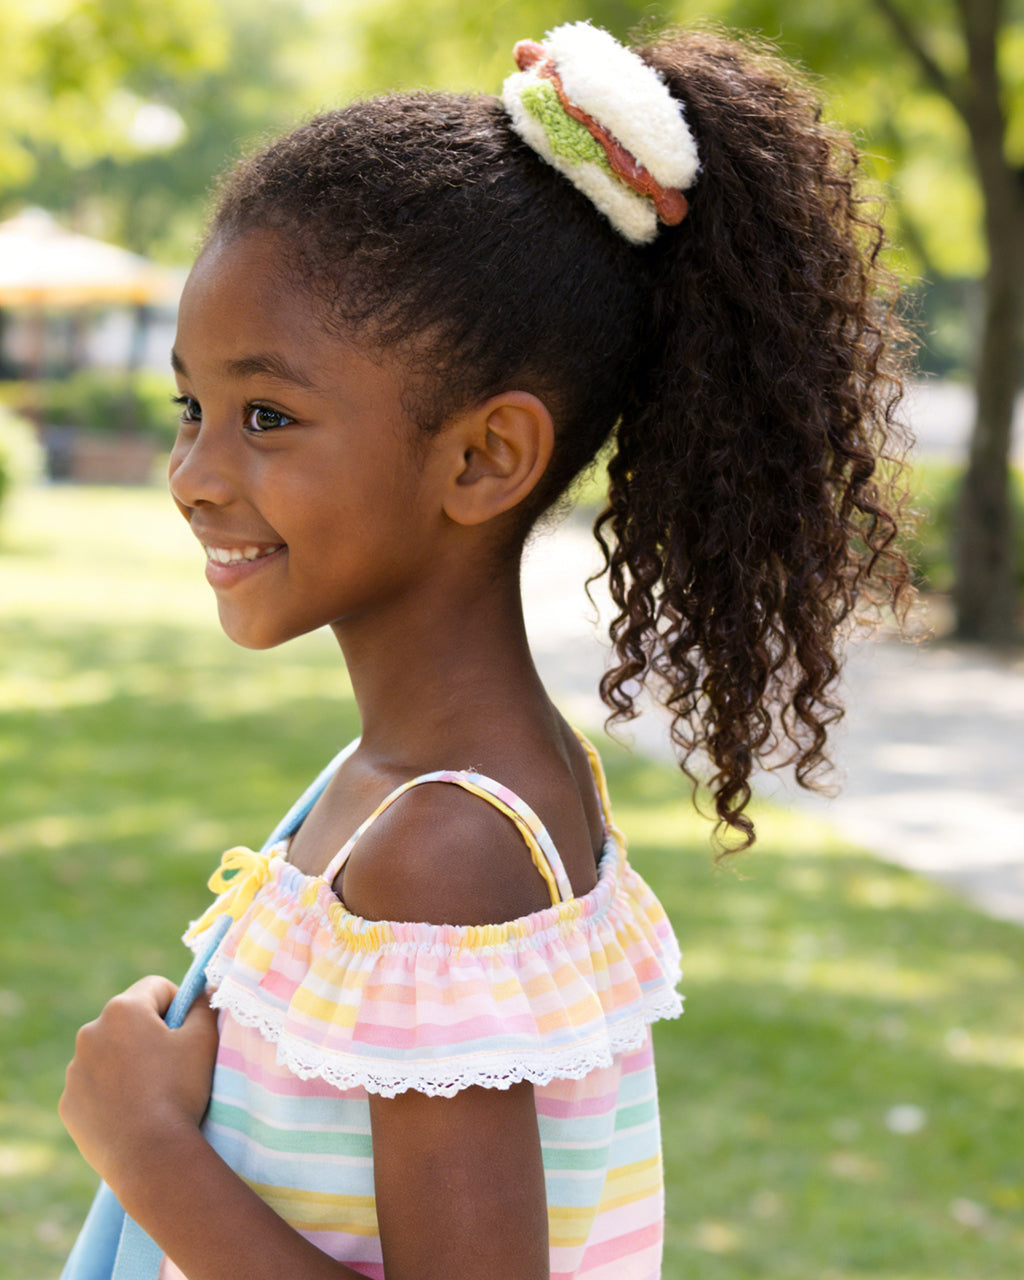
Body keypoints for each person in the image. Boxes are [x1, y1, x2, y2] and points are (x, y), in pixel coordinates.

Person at [58, 20, 912, 1280]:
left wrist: (144, 1143)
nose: (193, 474)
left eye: (266, 415)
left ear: (482, 458)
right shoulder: (418, 787)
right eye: (191, 407)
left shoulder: (444, 846)